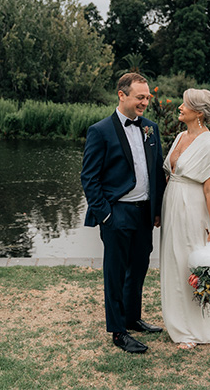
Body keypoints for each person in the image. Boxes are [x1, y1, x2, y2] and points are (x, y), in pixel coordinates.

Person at [80, 73, 166, 354]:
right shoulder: (100, 130)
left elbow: (156, 171)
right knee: (115, 273)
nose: (145, 102)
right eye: (140, 97)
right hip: (116, 213)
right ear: (122, 95)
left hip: (144, 214)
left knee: (139, 268)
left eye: (147, 98)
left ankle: (132, 318)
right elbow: (89, 178)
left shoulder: (151, 128)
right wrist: (105, 214)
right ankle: (118, 332)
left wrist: (157, 210)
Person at [160, 88, 210, 349]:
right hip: (172, 204)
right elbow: (169, 172)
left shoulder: (209, 144)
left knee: (188, 263)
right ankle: (176, 324)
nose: (179, 107)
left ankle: (194, 330)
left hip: (191, 207)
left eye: (184, 104)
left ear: (198, 112)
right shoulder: (179, 136)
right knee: (172, 262)